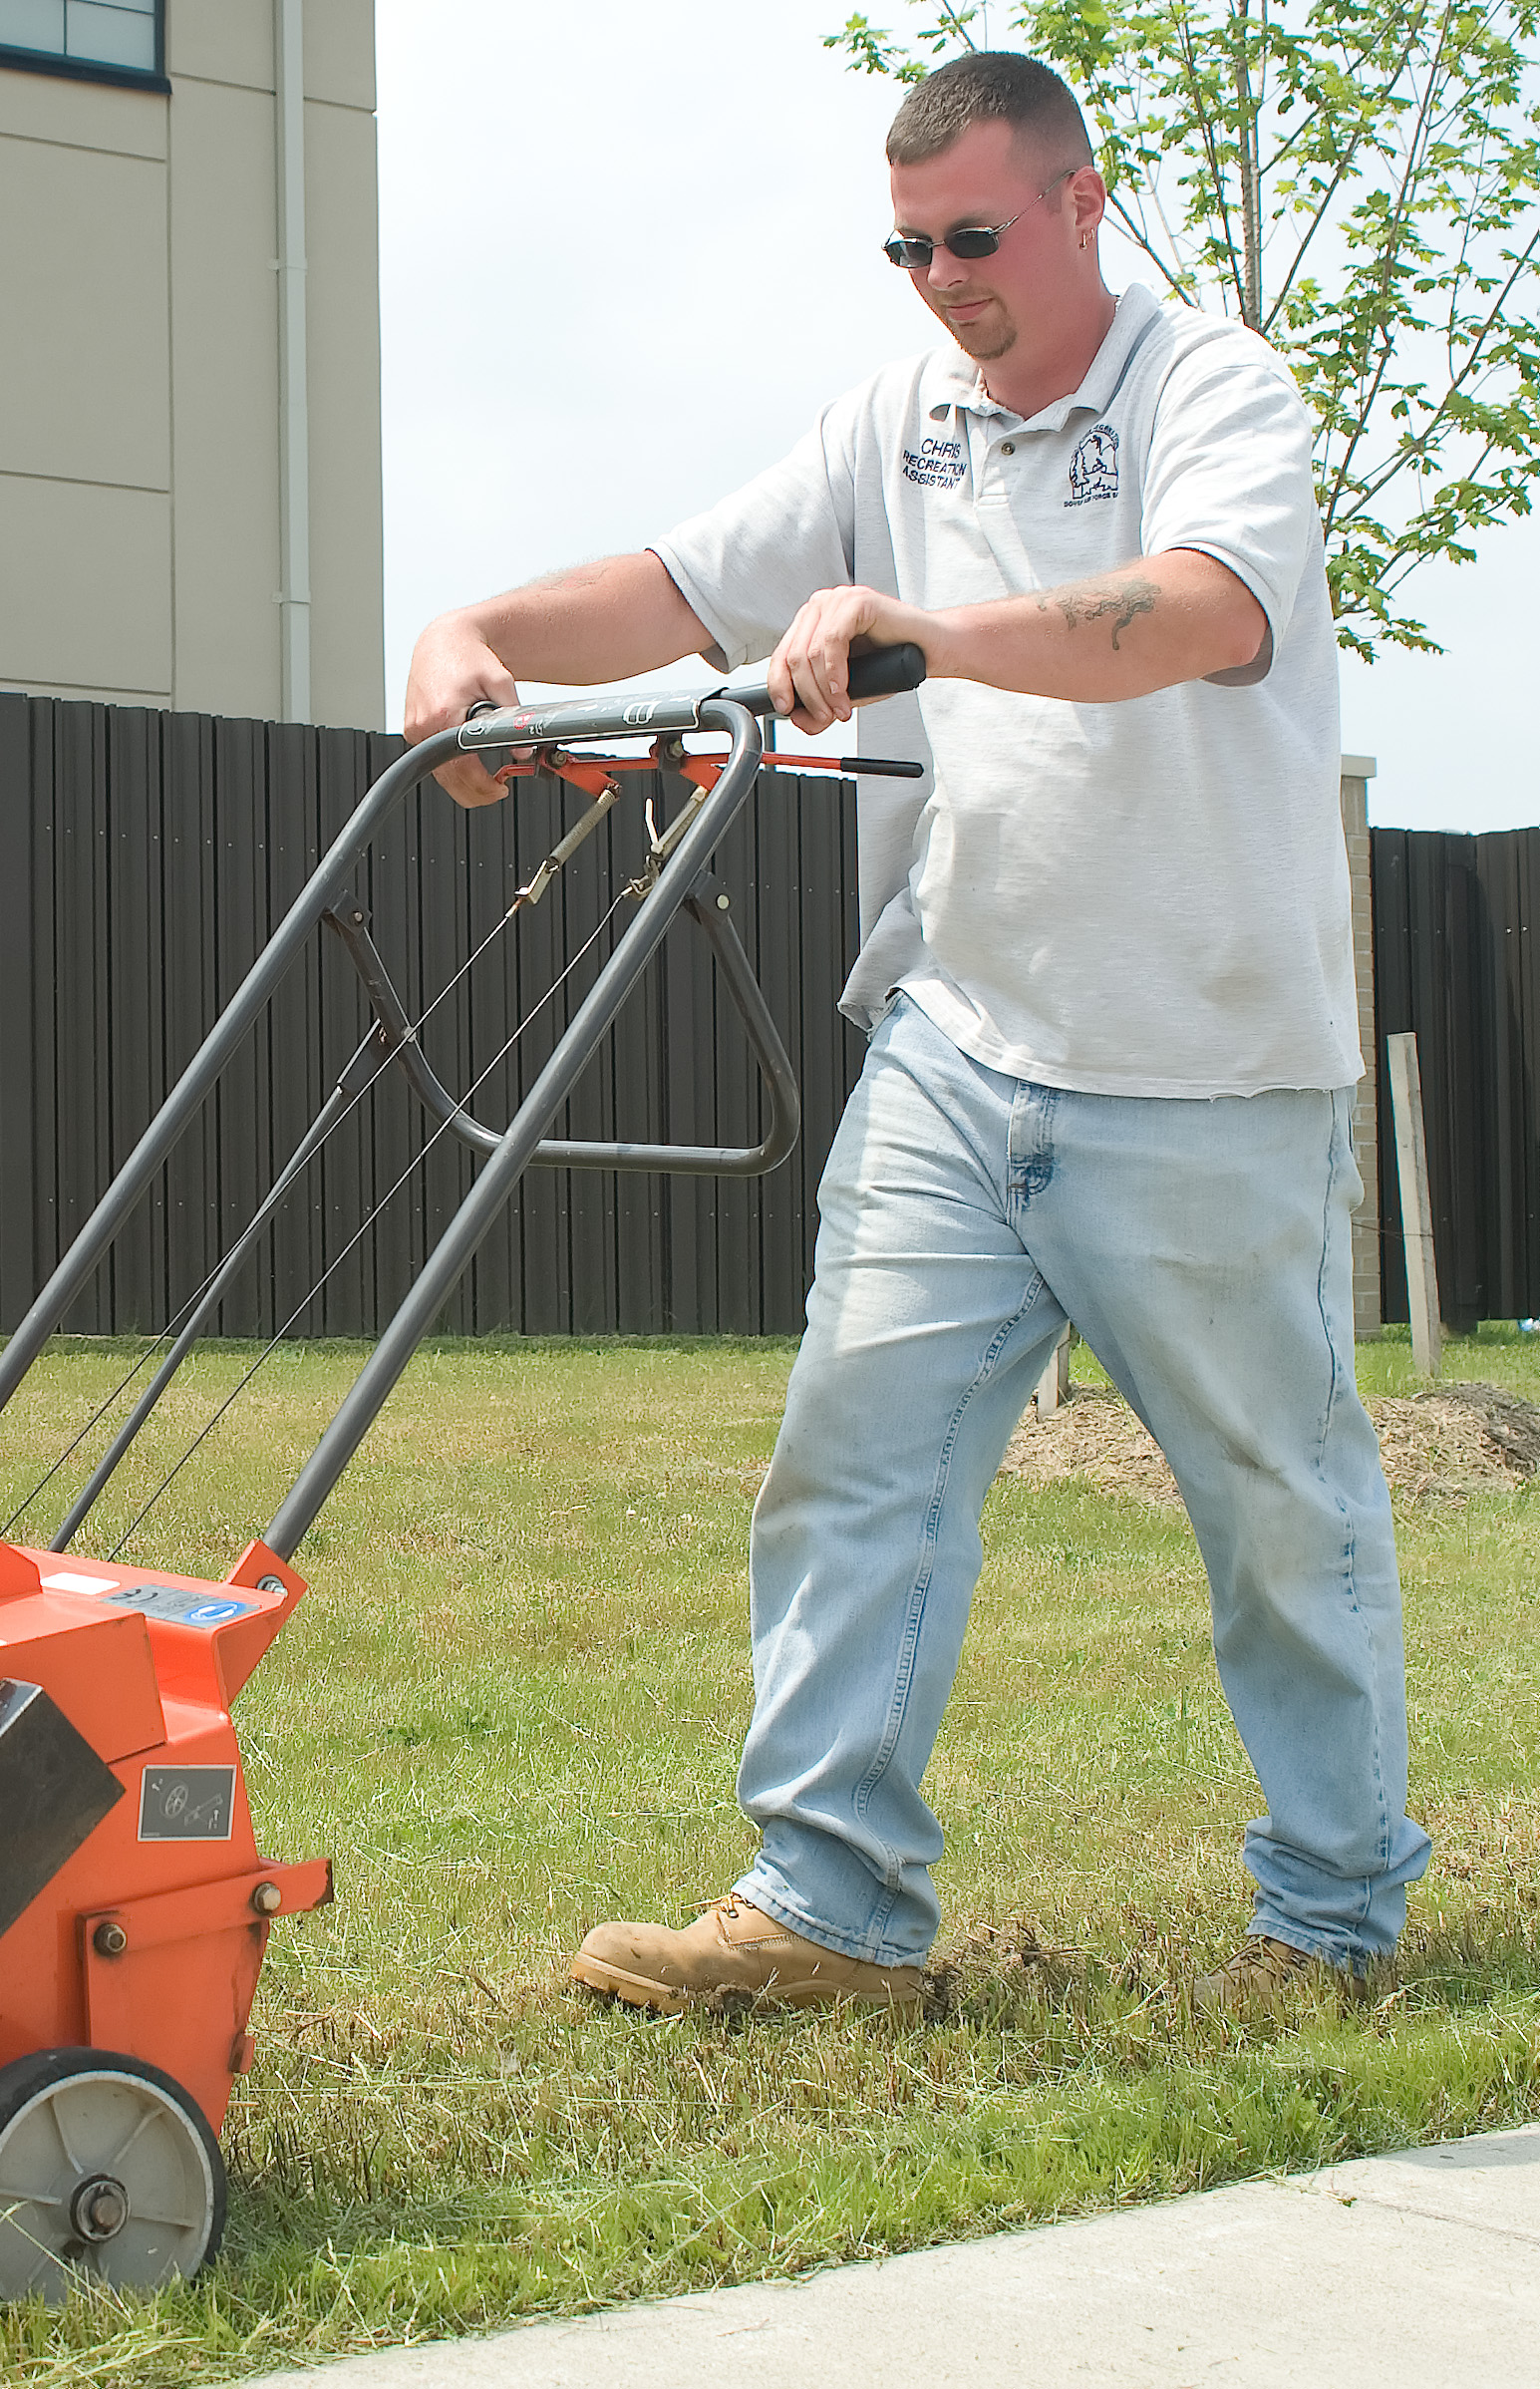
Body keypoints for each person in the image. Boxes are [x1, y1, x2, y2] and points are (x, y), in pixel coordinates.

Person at [404, 50, 1426, 2018]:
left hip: (1202, 1066)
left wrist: (930, 638)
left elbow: (1204, 613)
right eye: (908, 248)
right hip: (958, 1047)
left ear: (1078, 199)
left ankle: (1329, 1914)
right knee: (852, 1462)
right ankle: (826, 1906)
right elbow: (687, 579)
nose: (944, 279)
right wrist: (491, 633)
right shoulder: (904, 421)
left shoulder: (1212, 393)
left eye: (973, 235)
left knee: (1276, 1506)